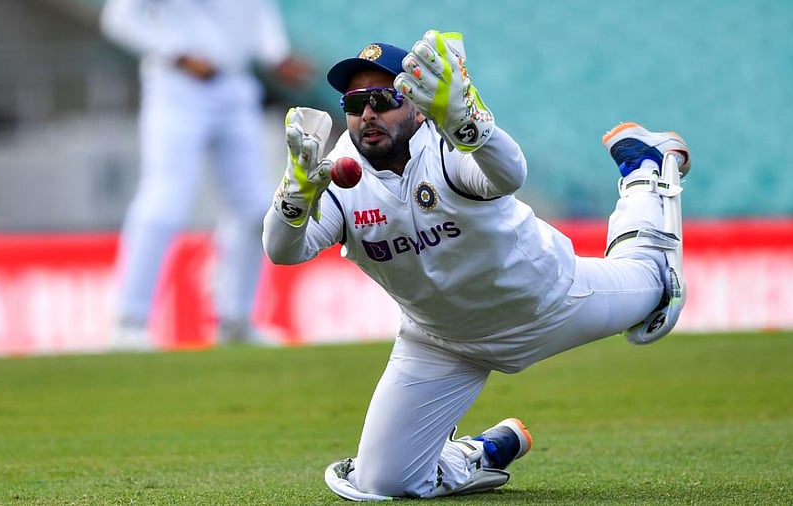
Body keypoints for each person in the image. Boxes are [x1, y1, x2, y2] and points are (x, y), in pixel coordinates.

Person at [262, 30, 691, 500]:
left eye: (384, 98)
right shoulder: (339, 174)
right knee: (381, 483)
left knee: (655, 288)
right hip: (440, 342)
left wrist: (466, 122)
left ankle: (645, 170)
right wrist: (293, 199)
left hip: (548, 304)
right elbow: (284, 251)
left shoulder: (448, 148)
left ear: (419, 106)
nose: (367, 113)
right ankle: (478, 453)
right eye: (355, 101)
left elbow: (509, 174)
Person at [100, 0, 314, 350]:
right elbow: (119, 18)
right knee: (164, 201)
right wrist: (178, 53)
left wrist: (277, 56)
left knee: (255, 209)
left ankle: (236, 321)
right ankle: (130, 321)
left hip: (236, 87)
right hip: (177, 87)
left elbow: (258, 13)